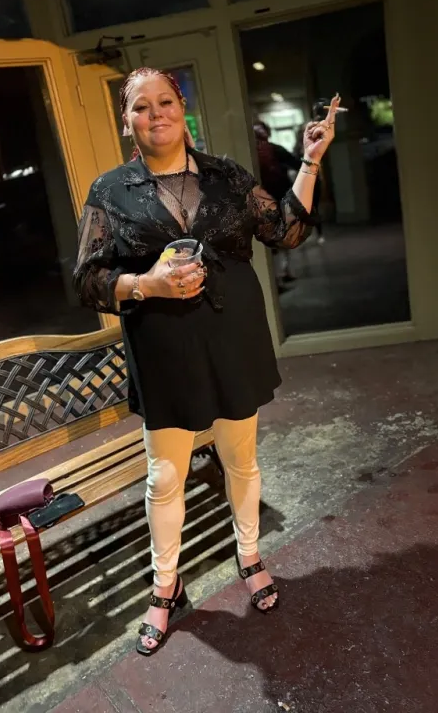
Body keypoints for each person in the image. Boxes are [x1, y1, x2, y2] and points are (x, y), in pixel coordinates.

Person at [73, 66, 340, 656]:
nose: (156, 114)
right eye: (142, 106)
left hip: (231, 337)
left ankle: (249, 555)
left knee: (239, 459)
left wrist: (310, 160)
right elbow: (87, 280)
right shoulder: (110, 191)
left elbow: (285, 231)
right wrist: (146, 284)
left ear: (182, 109)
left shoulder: (226, 175)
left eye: (165, 102)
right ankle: (165, 585)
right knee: (164, 476)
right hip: (163, 347)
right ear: (126, 121)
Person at [253, 121, 302, 283]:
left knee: (269, 242)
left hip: (260, 203)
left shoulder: (248, 154)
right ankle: (285, 271)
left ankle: (275, 278)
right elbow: (297, 164)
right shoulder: (275, 149)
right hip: (280, 199)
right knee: (284, 237)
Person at [295, 122, 325, 244]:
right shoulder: (298, 147)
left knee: (314, 207)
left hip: (314, 178)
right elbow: (297, 161)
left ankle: (319, 233)